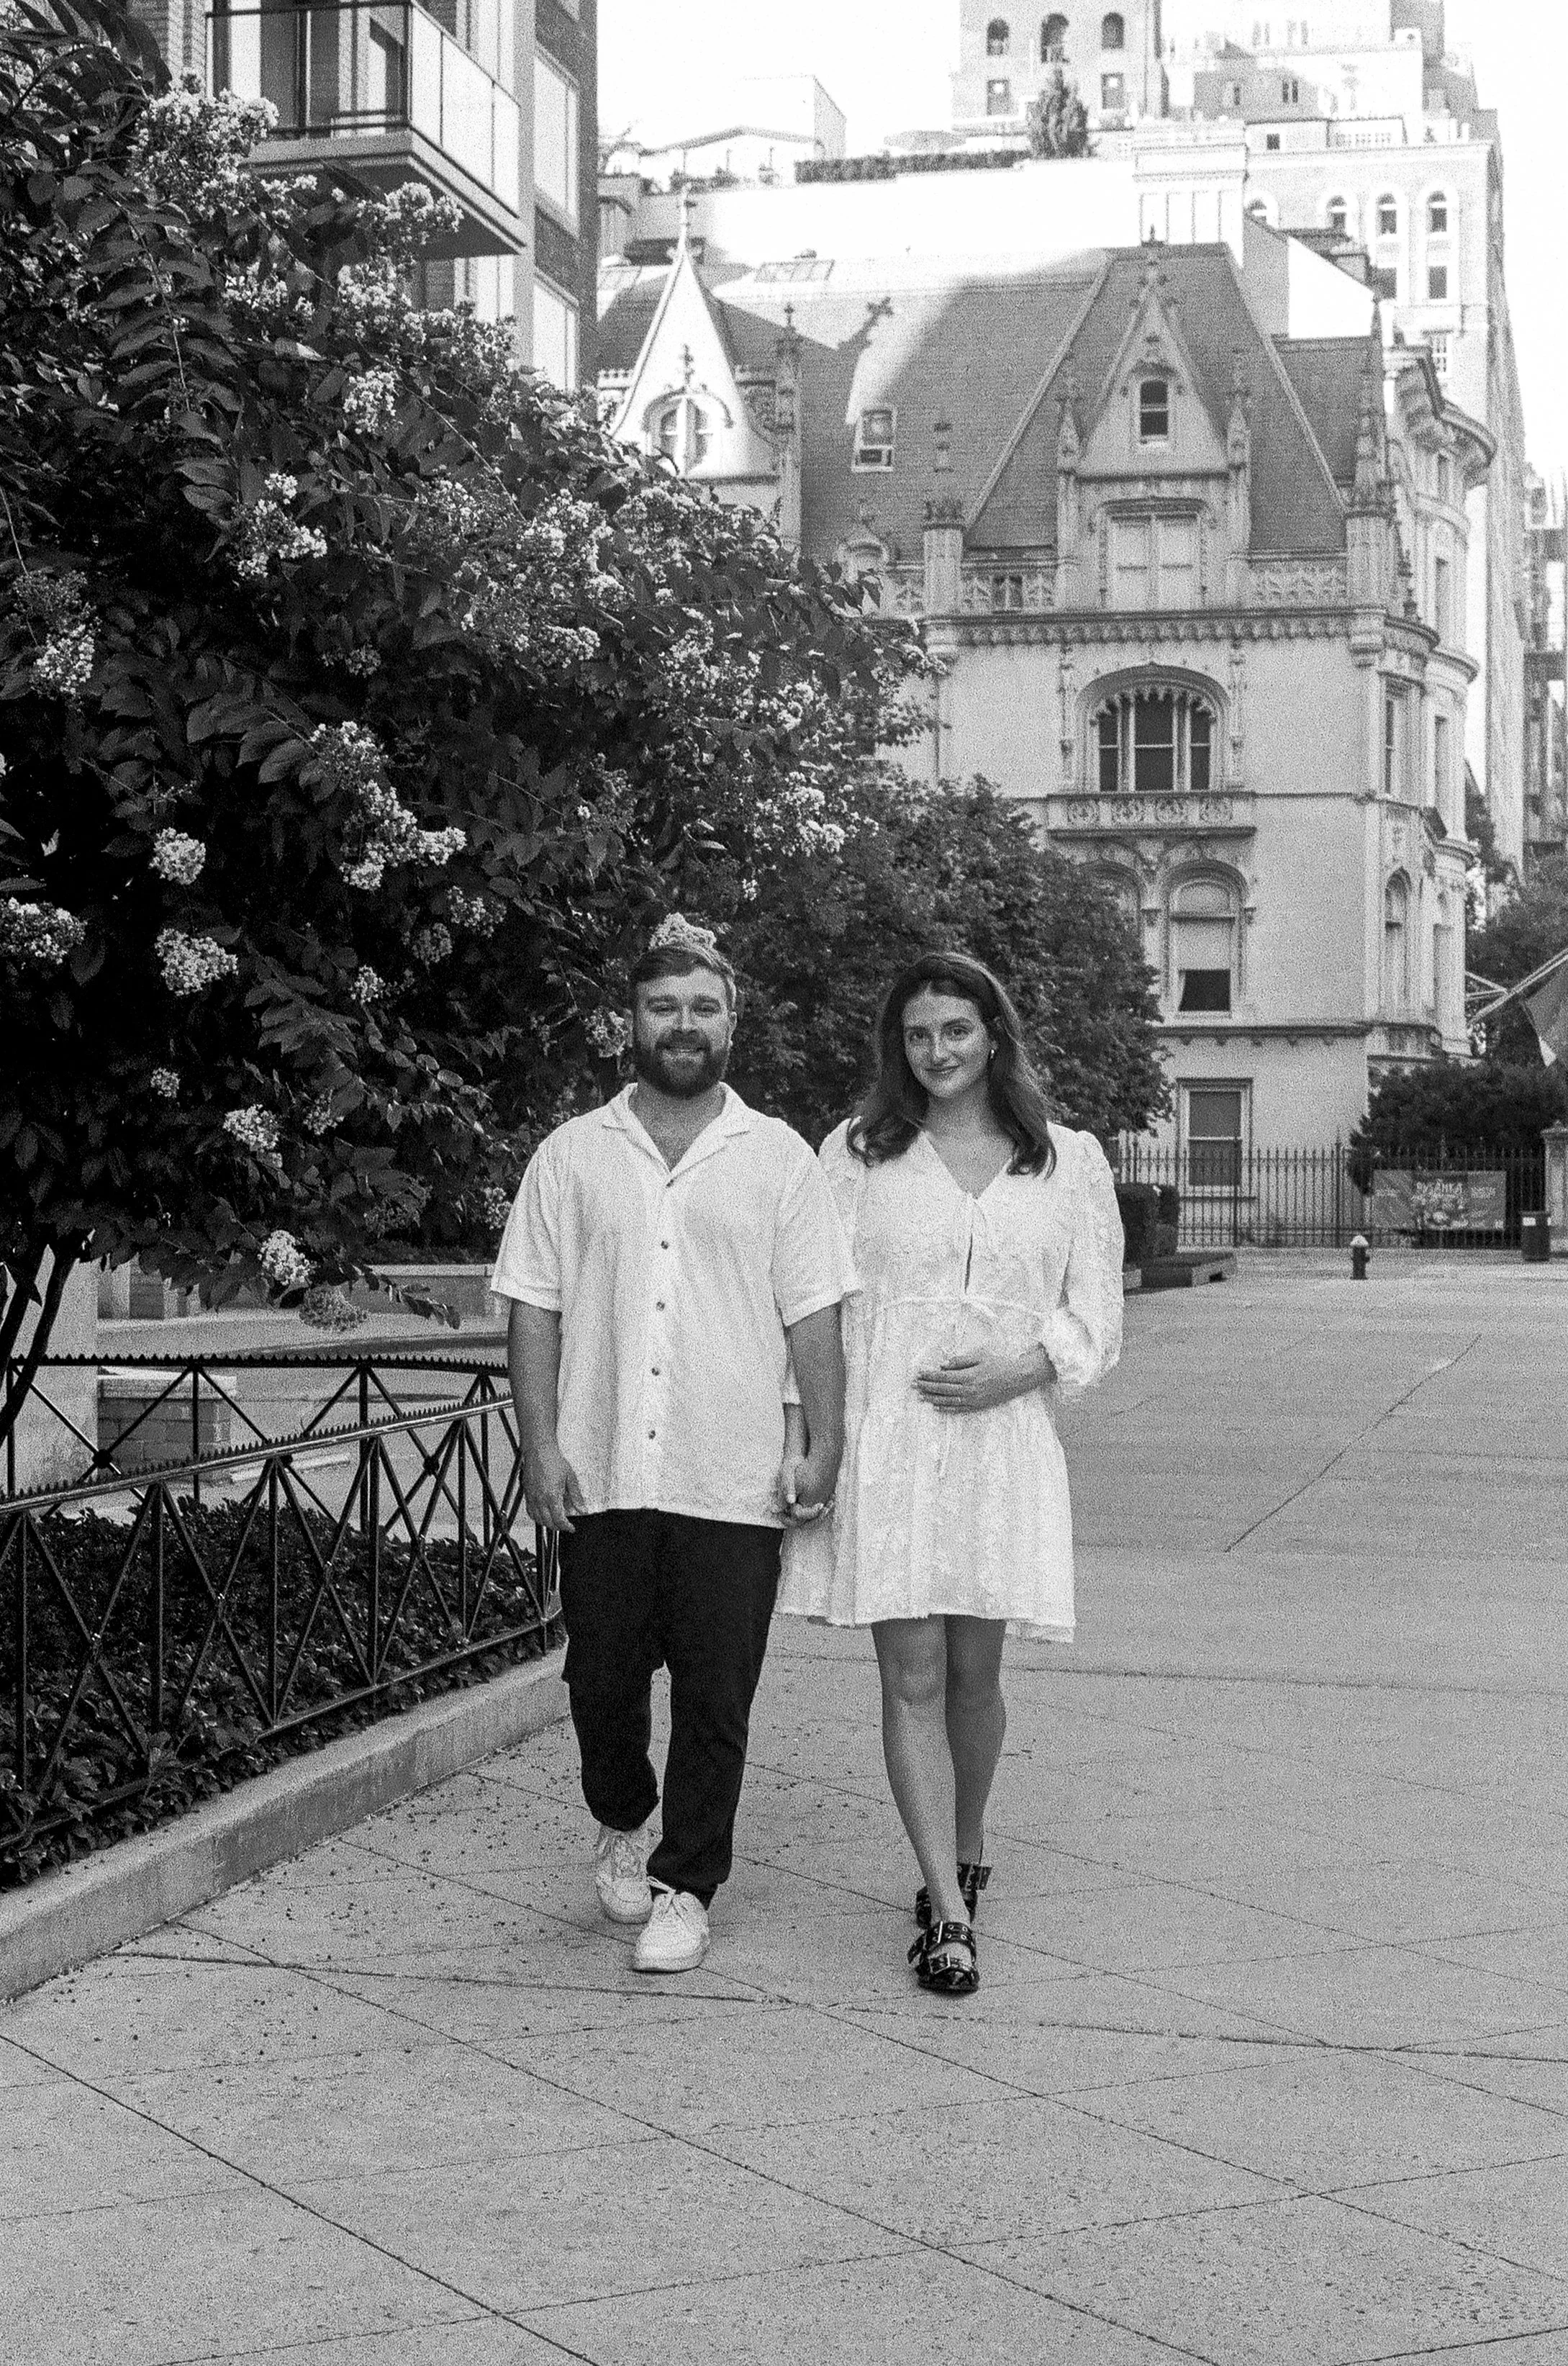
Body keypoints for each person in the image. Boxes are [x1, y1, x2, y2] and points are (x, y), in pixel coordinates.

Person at [497, 916, 855, 1974]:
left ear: (732, 1023)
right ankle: (622, 1817)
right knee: (598, 1683)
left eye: (704, 1007)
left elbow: (814, 1316)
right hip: (602, 1467)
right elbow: (533, 1311)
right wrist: (538, 1446)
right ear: (633, 1021)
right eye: (664, 1007)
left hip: (729, 1472)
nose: (684, 1024)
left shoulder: (778, 1159)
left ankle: (686, 1885)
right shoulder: (571, 1155)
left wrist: (824, 1445)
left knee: (714, 1696)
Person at [778, 951, 1123, 1995]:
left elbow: (1097, 1318)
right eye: (918, 1033)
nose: (937, 1051)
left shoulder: (1066, 1161)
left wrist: (1025, 1367)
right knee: (912, 1675)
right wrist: (809, 1439)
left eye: (957, 1030)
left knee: (976, 1675)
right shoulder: (856, 1154)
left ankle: (967, 1846)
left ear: (994, 1035)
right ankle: (947, 1908)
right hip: (890, 1440)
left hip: (1002, 1446)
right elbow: (813, 1308)